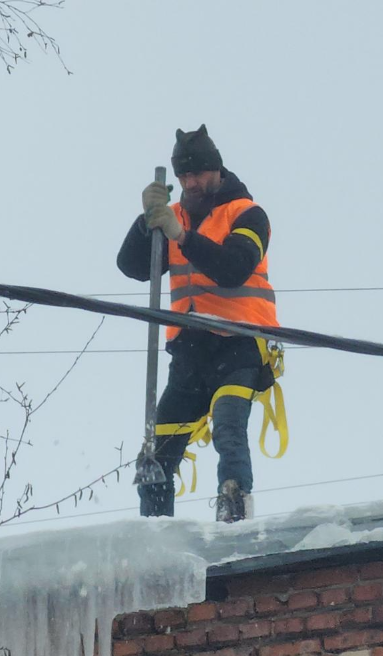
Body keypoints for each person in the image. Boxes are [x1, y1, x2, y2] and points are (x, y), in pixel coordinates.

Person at [117, 125, 279, 522]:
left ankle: (234, 511)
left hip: (239, 343)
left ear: (216, 169)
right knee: (156, 451)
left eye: (198, 174)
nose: (190, 183)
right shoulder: (171, 217)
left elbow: (233, 269)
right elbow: (131, 266)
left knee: (228, 426)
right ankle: (155, 531)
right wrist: (145, 224)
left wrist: (183, 237)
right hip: (190, 351)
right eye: (184, 175)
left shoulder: (248, 214)